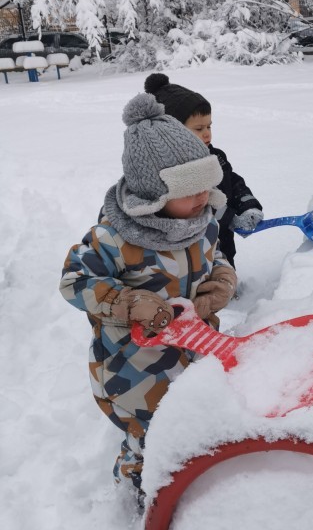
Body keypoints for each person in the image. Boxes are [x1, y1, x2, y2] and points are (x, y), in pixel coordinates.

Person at [60, 92, 237, 502]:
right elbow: (74, 279)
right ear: (152, 195)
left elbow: (216, 255)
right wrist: (127, 302)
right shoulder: (114, 239)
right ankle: (138, 490)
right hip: (133, 367)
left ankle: (191, 480)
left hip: (196, 349)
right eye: (189, 190)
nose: (202, 198)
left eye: (206, 186)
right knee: (151, 433)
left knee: (193, 419)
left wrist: (222, 280)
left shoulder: (203, 222)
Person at [144, 73, 263, 267]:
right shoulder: (168, 170)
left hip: (223, 244)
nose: (207, 134)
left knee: (226, 270)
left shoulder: (215, 156)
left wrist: (246, 204)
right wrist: (230, 218)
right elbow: (197, 205)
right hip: (191, 254)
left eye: (209, 126)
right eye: (199, 129)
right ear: (172, 131)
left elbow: (232, 181)